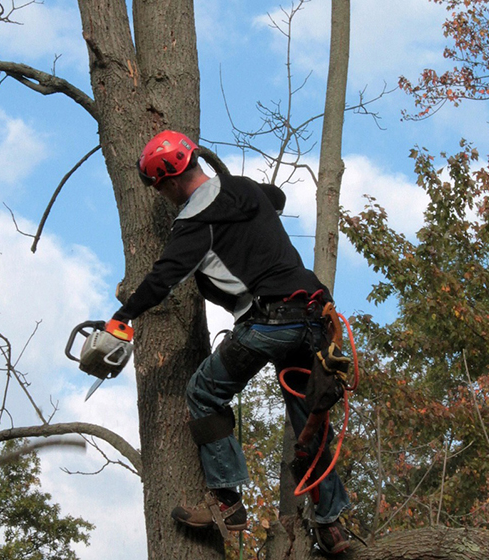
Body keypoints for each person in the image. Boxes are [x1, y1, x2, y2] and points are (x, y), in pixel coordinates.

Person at [112, 130, 351, 554]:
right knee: (307, 420)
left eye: (160, 188)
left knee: (203, 393)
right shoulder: (244, 189)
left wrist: (122, 318)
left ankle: (227, 503)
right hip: (315, 318)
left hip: (269, 322)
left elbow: (162, 279)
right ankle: (332, 528)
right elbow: (274, 197)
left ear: (167, 182)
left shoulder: (194, 224)